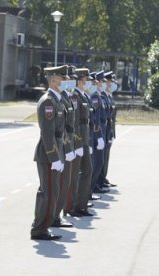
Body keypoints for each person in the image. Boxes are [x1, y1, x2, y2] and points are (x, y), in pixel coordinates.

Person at [30, 65, 67, 241]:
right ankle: (39, 229)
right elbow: (47, 133)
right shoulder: (48, 101)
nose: (65, 82)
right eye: (62, 78)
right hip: (48, 155)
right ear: (53, 79)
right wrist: (54, 156)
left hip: (55, 153)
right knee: (48, 193)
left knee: (51, 192)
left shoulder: (56, 100)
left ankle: (41, 226)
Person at [65, 68, 95, 217]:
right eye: (86, 80)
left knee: (87, 170)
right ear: (79, 80)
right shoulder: (75, 96)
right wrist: (77, 144)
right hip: (78, 142)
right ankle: (72, 206)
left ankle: (81, 205)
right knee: (74, 176)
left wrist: (86, 143)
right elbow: (75, 122)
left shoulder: (83, 96)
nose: (88, 82)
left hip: (84, 140)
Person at [52, 65, 77, 228]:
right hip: (58, 149)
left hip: (65, 147)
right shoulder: (52, 100)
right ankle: (51, 218)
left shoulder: (63, 98)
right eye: (63, 78)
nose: (66, 82)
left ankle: (56, 217)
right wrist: (58, 153)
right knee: (54, 188)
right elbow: (54, 132)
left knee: (64, 183)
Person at [90, 71, 108, 194]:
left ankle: (92, 188)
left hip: (101, 132)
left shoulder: (99, 95)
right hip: (95, 135)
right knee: (96, 163)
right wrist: (98, 135)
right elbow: (95, 118)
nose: (99, 84)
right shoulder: (95, 96)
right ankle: (91, 189)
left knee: (99, 162)